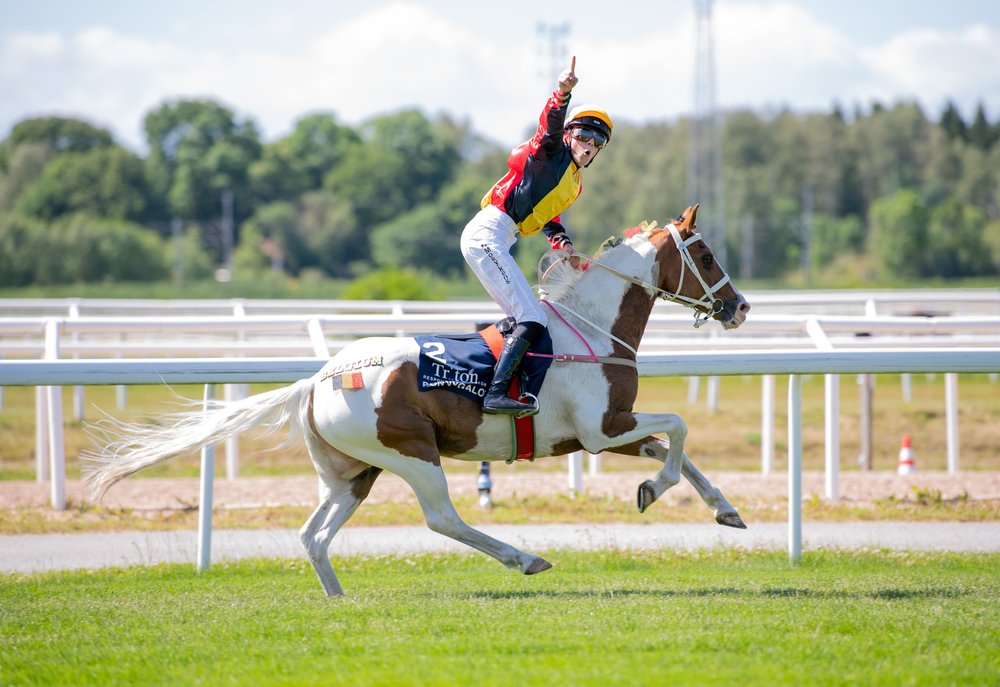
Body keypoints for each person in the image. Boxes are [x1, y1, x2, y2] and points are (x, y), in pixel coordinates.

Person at [460, 56, 614, 417]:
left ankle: (495, 381)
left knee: (525, 316)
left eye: (598, 140)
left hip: (499, 236)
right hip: (489, 232)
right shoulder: (552, 152)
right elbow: (549, 126)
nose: (589, 143)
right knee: (532, 317)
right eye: (584, 134)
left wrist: (564, 246)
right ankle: (495, 393)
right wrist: (562, 93)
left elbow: (549, 216)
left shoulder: (572, 181)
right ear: (569, 135)